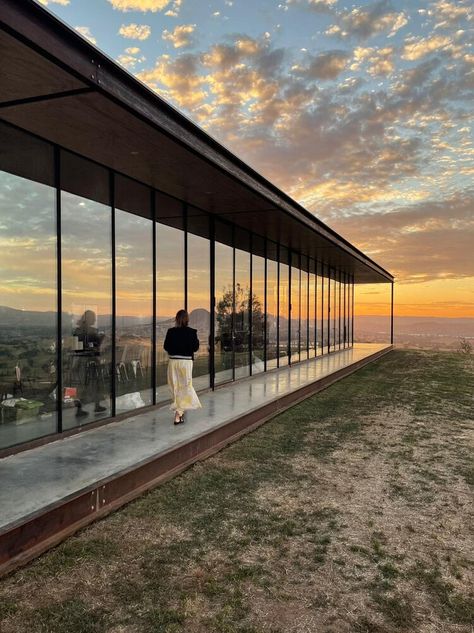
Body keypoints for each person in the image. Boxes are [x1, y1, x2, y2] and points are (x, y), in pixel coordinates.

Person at [163, 309, 201, 425]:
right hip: (186, 362)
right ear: (187, 319)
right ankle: (179, 414)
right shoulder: (192, 332)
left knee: (174, 386)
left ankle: (178, 413)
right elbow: (195, 348)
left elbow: (166, 346)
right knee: (185, 386)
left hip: (173, 362)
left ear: (176, 319)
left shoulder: (171, 331)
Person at [73, 310, 107, 418]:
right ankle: (82, 407)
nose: (95, 320)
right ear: (88, 319)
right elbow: (79, 348)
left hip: (86, 360)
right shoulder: (87, 331)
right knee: (89, 384)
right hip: (86, 361)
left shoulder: (79, 331)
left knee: (92, 384)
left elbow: (78, 347)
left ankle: (93, 405)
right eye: (93, 318)